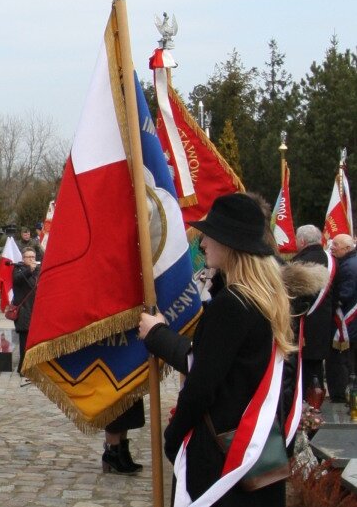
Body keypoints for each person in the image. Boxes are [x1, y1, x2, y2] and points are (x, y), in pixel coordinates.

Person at [139, 193, 295, 506]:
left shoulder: (232, 305)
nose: (203, 243)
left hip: (223, 462)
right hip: (256, 452)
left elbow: (200, 387)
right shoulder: (265, 300)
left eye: (210, 235)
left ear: (230, 244)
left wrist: (174, 440)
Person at [287, 225, 331, 397]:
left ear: (302, 241)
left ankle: (307, 404)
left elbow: (297, 296)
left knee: (305, 370)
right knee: (315, 368)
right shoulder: (328, 258)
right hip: (322, 321)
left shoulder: (303, 262)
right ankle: (315, 403)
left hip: (305, 322)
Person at [328, 233, 357, 399]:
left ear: (347, 248)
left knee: (342, 360)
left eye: (336, 245)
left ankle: (341, 394)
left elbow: (344, 295)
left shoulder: (347, 266)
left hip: (348, 323)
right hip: (352, 324)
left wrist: (332, 302)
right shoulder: (350, 262)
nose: (332, 247)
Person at [12, 249, 40, 372]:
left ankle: (32, 366)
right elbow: (18, 280)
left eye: (33, 256)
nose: (31, 259)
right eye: (28, 257)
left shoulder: (37, 271)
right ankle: (22, 368)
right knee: (24, 342)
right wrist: (30, 270)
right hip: (23, 312)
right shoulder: (18, 269)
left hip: (35, 312)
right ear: (23, 258)